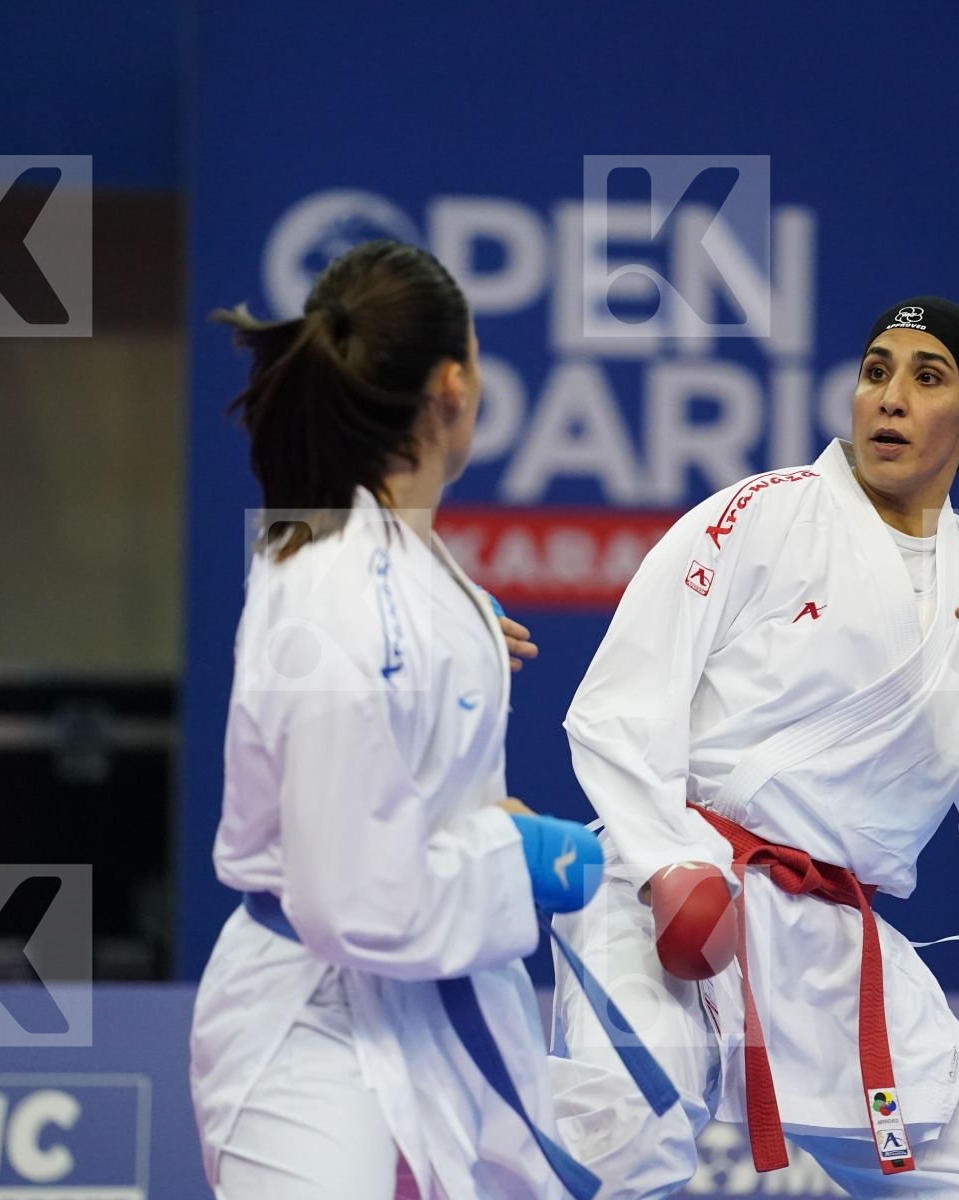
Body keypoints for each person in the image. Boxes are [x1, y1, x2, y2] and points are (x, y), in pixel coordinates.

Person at [548, 297, 959, 1197]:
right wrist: (666, 866)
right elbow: (616, 709)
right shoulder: (759, 516)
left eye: (927, 378)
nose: (890, 397)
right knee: (618, 1157)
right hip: (674, 892)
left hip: (835, 942)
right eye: (877, 371)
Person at [189, 239, 605, 1200]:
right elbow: (350, 900)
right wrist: (521, 859)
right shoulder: (338, 587)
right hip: (313, 1022)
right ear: (453, 384)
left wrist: (443, 652)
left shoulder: (407, 572)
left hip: (431, 999)